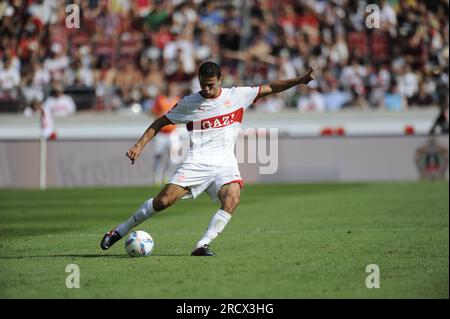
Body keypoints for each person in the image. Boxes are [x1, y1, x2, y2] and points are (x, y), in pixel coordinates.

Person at [100, 61, 314, 256]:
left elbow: (271, 87)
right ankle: (118, 231)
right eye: (203, 84)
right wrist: (139, 146)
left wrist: (299, 80)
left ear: (221, 80)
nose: (206, 89)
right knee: (162, 201)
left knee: (232, 198)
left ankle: (202, 244)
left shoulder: (237, 95)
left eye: (211, 84)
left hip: (225, 163)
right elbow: (160, 122)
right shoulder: (189, 103)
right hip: (197, 162)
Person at [150, 82, 181, 185]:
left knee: (174, 158)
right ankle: (157, 179)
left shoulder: (177, 100)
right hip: (161, 133)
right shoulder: (160, 99)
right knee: (158, 156)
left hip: (173, 133)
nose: (171, 90)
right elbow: (154, 112)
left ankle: (167, 177)